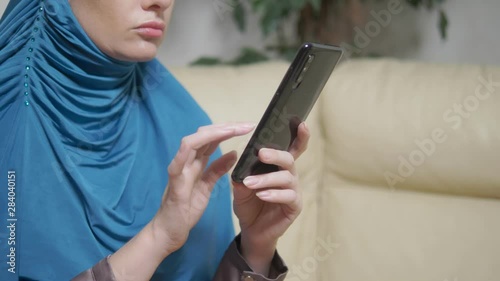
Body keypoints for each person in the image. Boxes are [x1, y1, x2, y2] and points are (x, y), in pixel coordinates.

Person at [0, 0, 310, 280]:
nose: (160, 2)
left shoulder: (181, 119)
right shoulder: (12, 118)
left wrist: (256, 245)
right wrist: (157, 239)